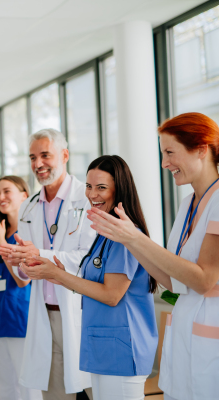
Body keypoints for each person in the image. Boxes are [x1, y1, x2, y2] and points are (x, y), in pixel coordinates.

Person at [87, 112, 219, 400]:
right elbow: (173, 282)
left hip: (210, 341)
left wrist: (135, 238)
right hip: (185, 340)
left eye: (170, 152)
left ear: (201, 148)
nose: (164, 163)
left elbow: (205, 280)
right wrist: (130, 241)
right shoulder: (187, 205)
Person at [21, 155, 158, 400]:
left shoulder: (125, 236)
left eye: (101, 187)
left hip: (122, 350)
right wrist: (60, 274)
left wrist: (58, 276)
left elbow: (112, 294)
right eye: (88, 186)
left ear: (120, 189)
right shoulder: (104, 233)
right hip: (103, 348)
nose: (92, 194)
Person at [0, 128, 95, 400]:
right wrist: (21, 262)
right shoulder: (29, 206)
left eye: (45, 155)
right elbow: (24, 271)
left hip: (81, 310)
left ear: (64, 155)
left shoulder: (85, 199)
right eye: (32, 157)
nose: (38, 164)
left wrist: (37, 254)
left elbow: (87, 259)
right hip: (45, 313)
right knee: (54, 393)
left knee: (95, 390)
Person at [0, 176, 42, 400]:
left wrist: (1, 241)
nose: (0, 197)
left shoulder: (30, 231)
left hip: (21, 321)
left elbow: (24, 280)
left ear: (24, 194)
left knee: (27, 389)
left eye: (6, 191)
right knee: (2, 389)